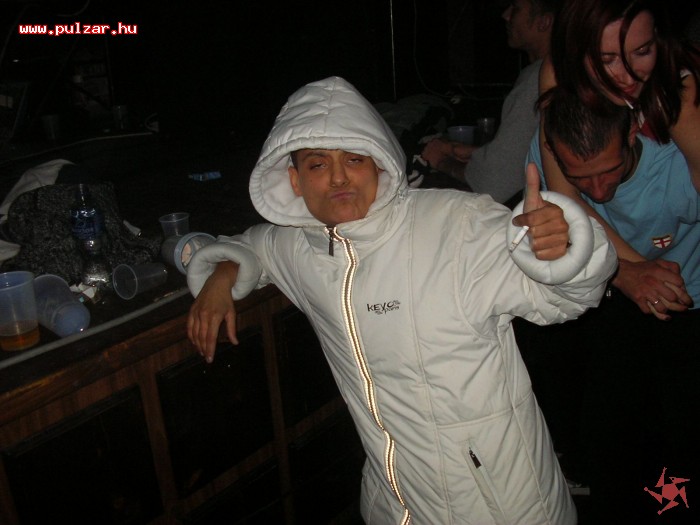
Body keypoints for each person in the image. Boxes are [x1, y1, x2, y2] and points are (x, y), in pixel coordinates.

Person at [186, 76, 617, 524]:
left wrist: (563, 248)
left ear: (379, 162)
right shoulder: (300, 247)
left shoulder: (457, 227)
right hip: (396, 503)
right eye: (317, 164)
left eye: (354, 159)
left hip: (501, 506)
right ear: (295, 180)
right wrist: (224, 271)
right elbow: (253, 244)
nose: (338, 177)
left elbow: (565, 297)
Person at [528, 87, 700, 524]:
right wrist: (625, 272)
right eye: (581, 178)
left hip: (691, 295)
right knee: (609, 433)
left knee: (683, 437)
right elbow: (562, 235)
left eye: (609, 170)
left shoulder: (676, 162)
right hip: (608, 292)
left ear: (631, 136)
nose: (598, 189)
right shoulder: (547, 150)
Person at [538, 0, 700, 319]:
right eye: (606, 59)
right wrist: (629, 271)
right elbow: (564, 197)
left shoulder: (679, 95)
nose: (627, 76)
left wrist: (649, 280)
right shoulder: (558, 75)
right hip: (611, 276)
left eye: (642, 52)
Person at [420, 0, 560, 205]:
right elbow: (531, 155)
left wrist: (441, 160)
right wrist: (474, 153)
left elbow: (493, 184)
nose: (506, 15)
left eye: (516, 8)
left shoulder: (537, 80)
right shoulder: (566, 69)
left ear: (543, 22)